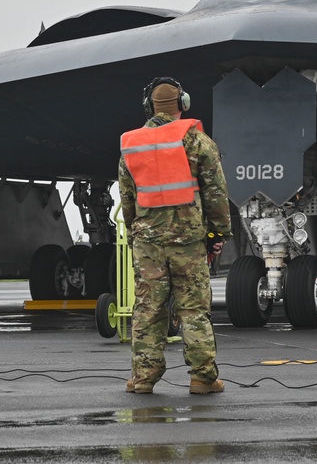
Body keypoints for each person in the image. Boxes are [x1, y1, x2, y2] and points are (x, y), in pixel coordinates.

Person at [118, 77, 230, 395]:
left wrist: (135, 231)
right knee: (193, 310)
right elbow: (216, 193)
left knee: (147, 308)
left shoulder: (131, 144)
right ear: (183, 104)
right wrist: (218, 232)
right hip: (189, 243)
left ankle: (143, 378)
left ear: (149, 106)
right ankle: (202, 378)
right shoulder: (196, 141)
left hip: (147, 243)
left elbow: (127, 198)